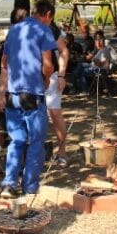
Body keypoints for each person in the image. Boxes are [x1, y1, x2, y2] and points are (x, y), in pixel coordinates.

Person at [0, 0, 55, 198]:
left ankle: (9, 184)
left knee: (16, 140)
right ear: (47, 14)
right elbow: (47, 64)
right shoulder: (43, 30)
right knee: (36, 141)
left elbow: (4, 63)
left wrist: (1, 93)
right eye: (50, 19)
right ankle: (30, 186)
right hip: (33, 95)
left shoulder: (13, 30)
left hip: (12, 95)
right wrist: (47, 79)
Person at [46, 22, 69, 168]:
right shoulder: (27, 27)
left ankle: (62, 152)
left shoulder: (51, 28)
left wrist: (61, 75)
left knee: (55, 113)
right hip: (32, 78)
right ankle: (37, 155)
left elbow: (64, 51)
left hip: (52, 75)